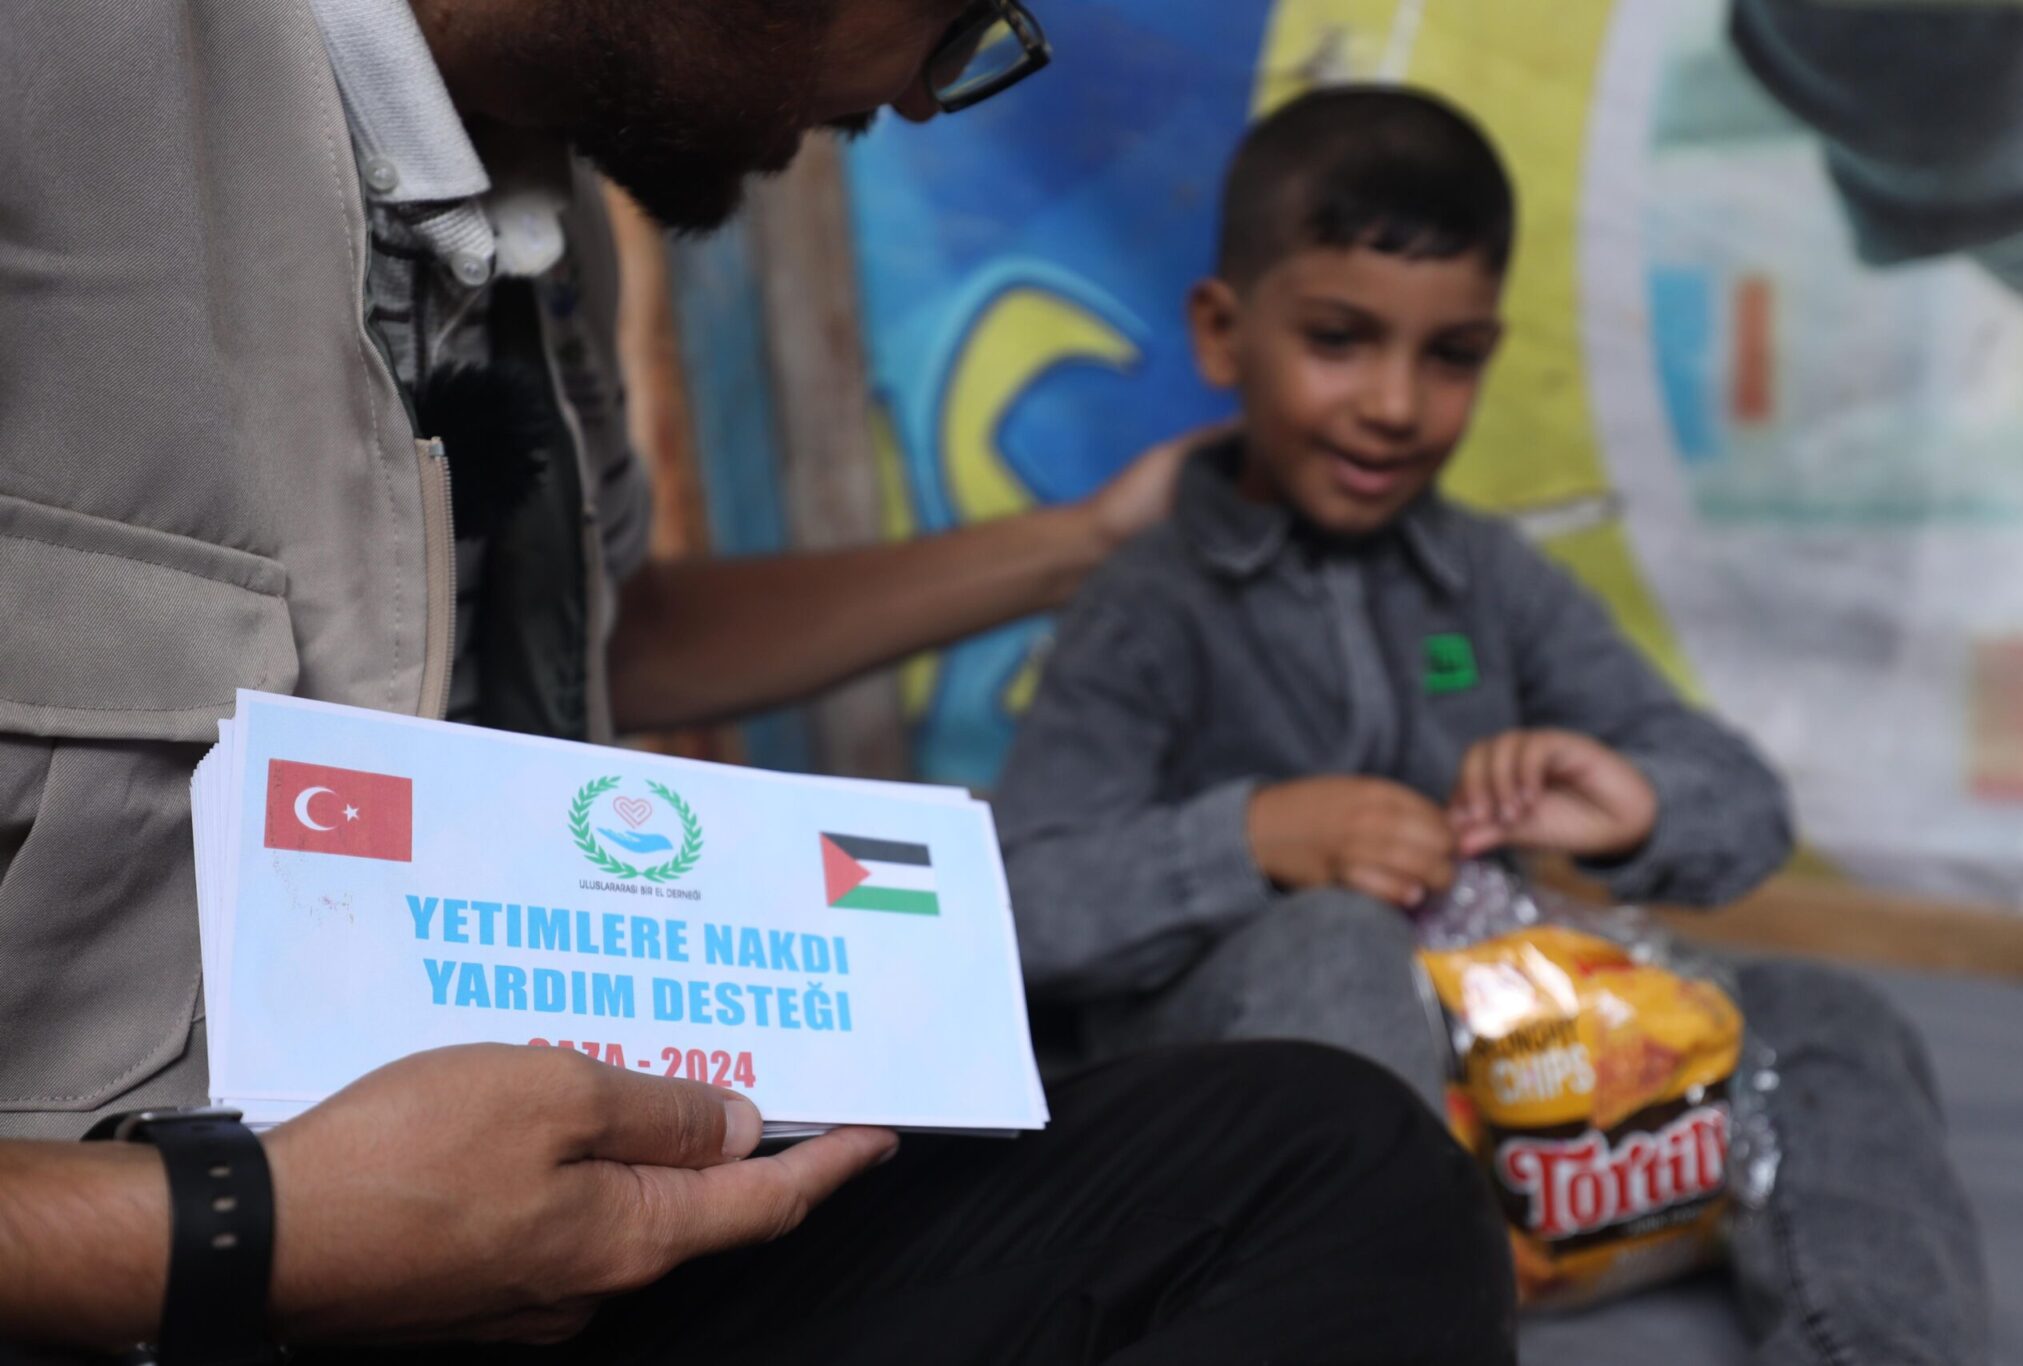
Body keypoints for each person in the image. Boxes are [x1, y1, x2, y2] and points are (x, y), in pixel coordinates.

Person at [0, 1, 1517, 1360]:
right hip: (179, 1273)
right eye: (948, 12)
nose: (923, 92)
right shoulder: (57, 74)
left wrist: (1084, 542)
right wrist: (243, 1227)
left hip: (557, 1219)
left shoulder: (535, 202)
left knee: (1337, 1171)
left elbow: (613, 637)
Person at [995, 86, 1988, 1365]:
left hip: (1520, 1090)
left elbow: (1743, 807)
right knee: (1335, 937)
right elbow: (1018, 905)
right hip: (1263, 1110)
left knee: (1828, 1018)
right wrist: (1250, 839)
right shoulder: (1148, 607)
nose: (1394, 403)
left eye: (1449, 356)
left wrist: (1633, 803)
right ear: (1223, 334)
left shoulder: (1492, 581)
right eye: (1340, 340)